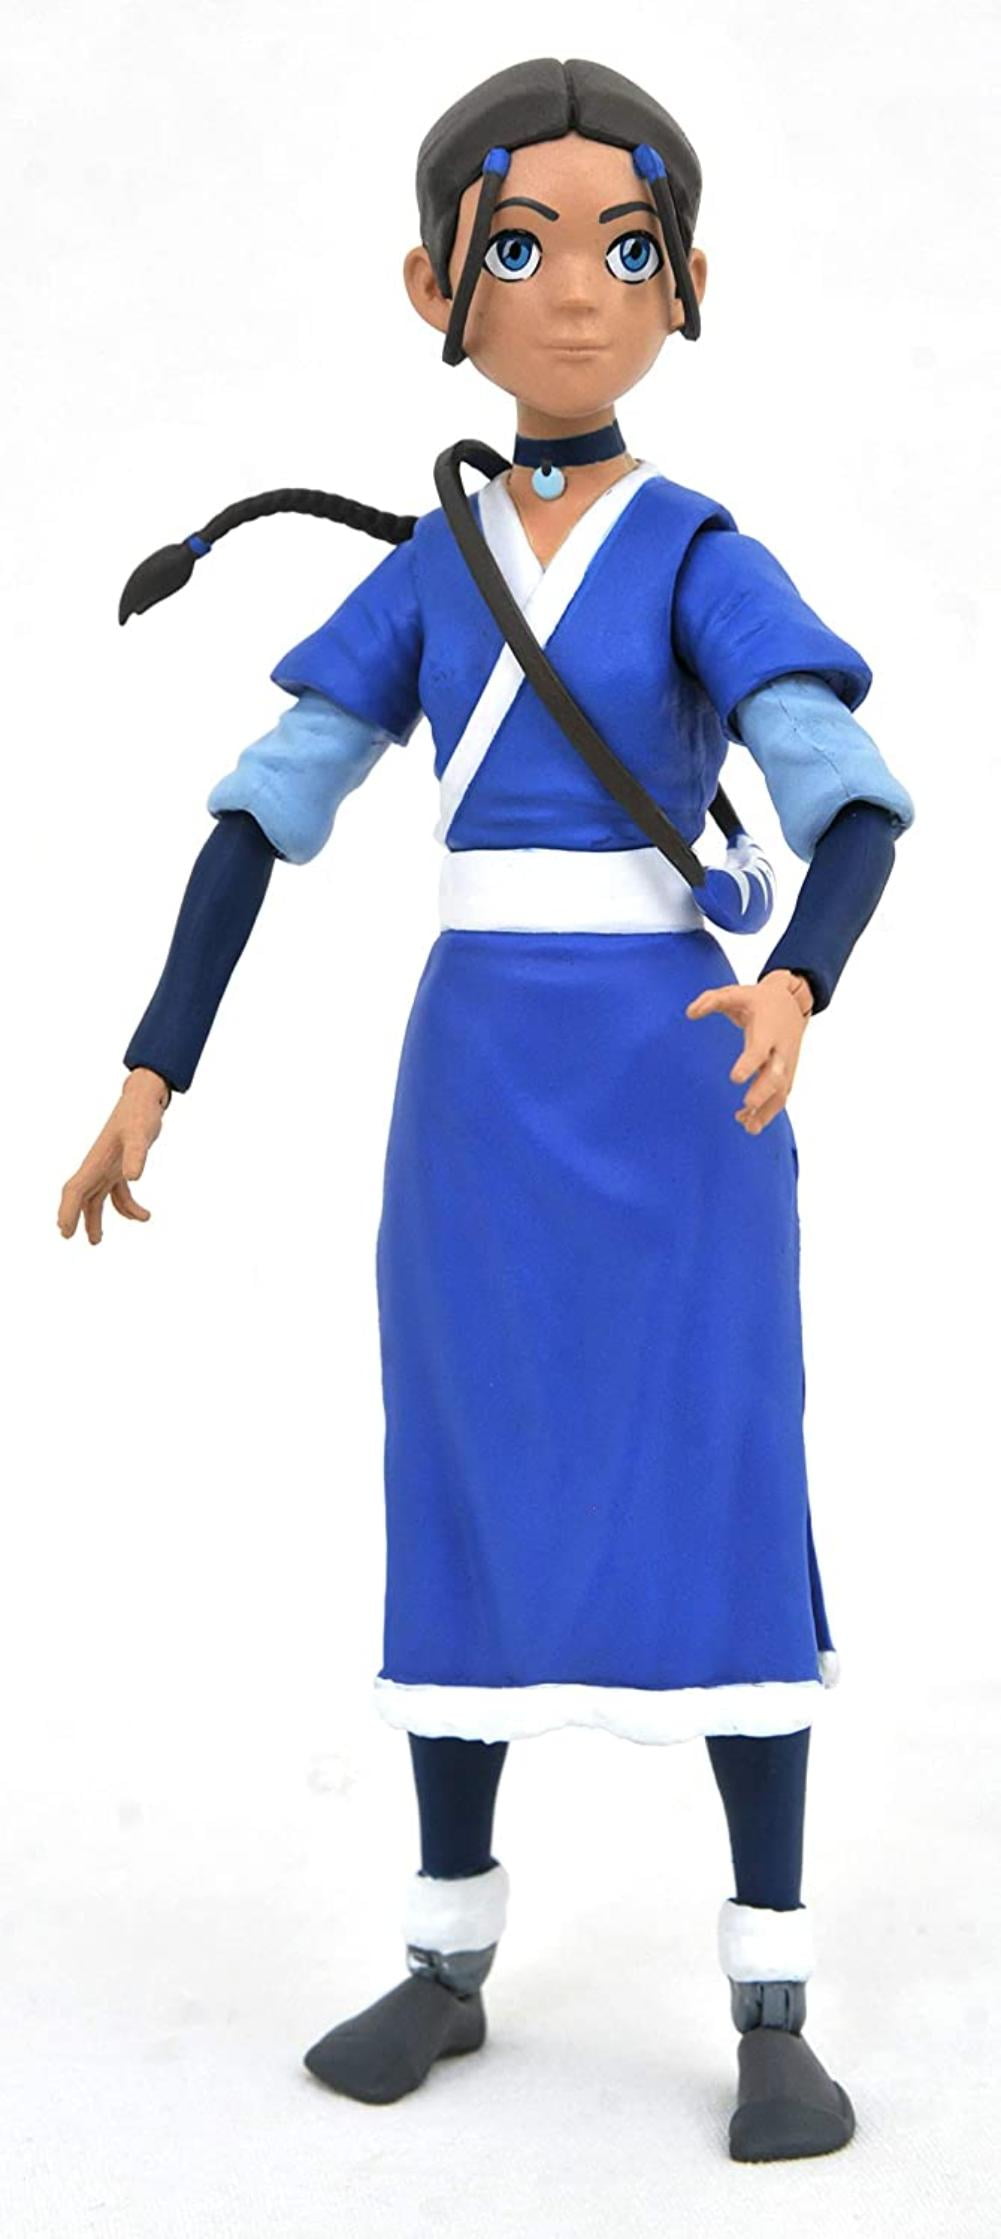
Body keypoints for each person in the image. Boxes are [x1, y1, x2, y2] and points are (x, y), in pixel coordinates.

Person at [57, 57, 914, 2161]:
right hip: (475, 1103)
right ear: (433, 285)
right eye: (518, 247)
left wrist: (799, 977)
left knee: (719, 1487)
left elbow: (848, 796)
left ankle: (773, 1996)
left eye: (623, 246)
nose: (573, 293)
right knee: (465, 1485)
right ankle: (448, 1953)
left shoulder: (699, 550)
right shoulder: (431, 569)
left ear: (688, 280)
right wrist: (155, 1065)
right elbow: (267, 808)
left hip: (685, 1078)